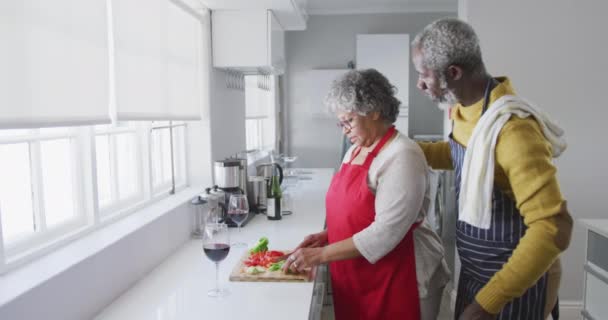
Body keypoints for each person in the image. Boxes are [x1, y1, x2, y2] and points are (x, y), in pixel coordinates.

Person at [411, 18, 573, 319]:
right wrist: (402, 149)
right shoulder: (467, 110)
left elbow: (553, 228)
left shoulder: (512, 131)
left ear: (453, 73)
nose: (419, 84)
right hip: (478, 269)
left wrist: (487, 303)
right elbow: (461, 155)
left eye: (424, 75)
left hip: (519, 279)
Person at [282, 69, 450, 320]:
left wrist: (319, 255)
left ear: (374, 110)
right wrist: (328, 236)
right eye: (341, 123)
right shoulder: (355, 150)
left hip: (399, 275)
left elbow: (386, 232)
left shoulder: (402, 155)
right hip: (358, 272)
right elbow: (361, 215)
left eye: (348, 121)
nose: (344, 130)